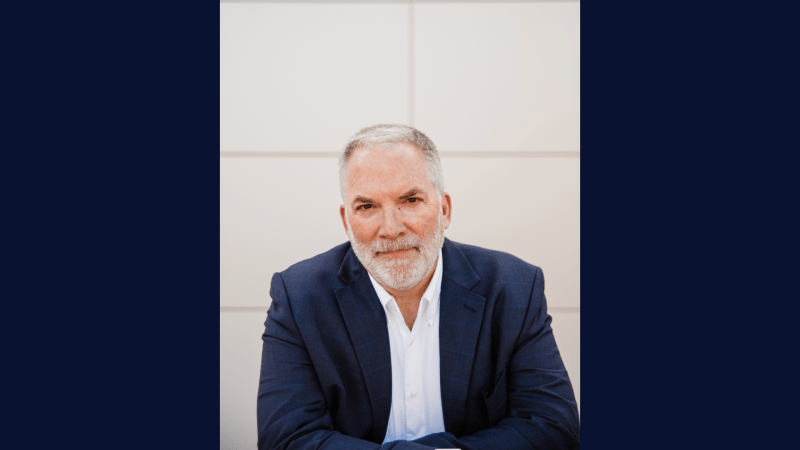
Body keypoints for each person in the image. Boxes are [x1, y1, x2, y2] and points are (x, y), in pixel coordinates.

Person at [257, 124, 580, 450]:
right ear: (346, 221)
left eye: (410, 200)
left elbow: (554, 428)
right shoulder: (299, 297)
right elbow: (286, 439)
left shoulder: (514, 287)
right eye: (367, 206)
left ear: (444, 209)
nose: (391, 229)